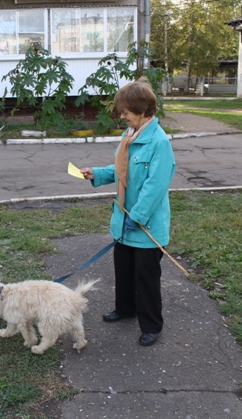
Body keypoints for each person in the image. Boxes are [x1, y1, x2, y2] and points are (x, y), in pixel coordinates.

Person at [80, 79, 176, 347]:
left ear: (143, 110)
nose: (121, 116)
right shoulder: (129, 135)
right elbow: (121, 170)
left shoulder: (159, 143)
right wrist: (96, 173)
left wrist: (138, 215)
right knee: (123, 270)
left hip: (145, 226)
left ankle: (151, 325)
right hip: (124, 221)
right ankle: (125, 309)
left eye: (126, 111)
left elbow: (155, 186)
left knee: (145, 278)